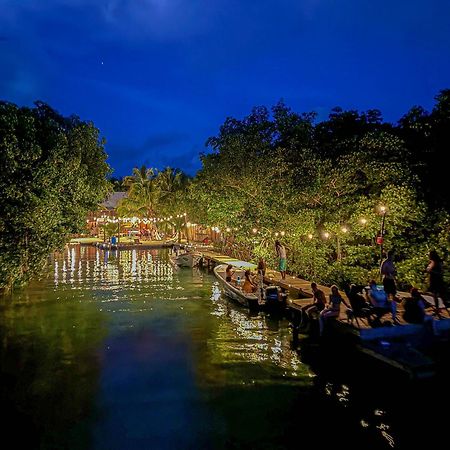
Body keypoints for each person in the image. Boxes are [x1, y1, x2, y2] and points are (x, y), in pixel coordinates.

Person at [426, 250, 446, 315]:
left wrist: (432, 271)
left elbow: (441, 272)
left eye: (429, 255)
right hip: (433, 280)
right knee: (434, 295)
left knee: (442, 296)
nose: (429, 256)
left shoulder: (439, 262)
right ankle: (437, 310)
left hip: (438, 280)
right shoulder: (431, 262)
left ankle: (443, 308)